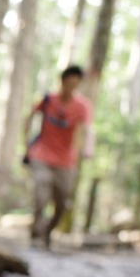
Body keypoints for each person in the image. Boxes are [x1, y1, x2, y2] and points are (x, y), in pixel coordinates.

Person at [24, 65, 94, 248]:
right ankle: (35, 234)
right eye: (68, 82)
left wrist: (88, 149)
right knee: (41, 194)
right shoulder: (48, 99)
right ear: (62, 81)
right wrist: (26, 145)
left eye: (75, 84)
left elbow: (88, 130)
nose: (71, 87)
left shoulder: (82, 106)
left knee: (62, 203)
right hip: (41, 155)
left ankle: (47, 233)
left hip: (65, 161)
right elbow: (29, 117)